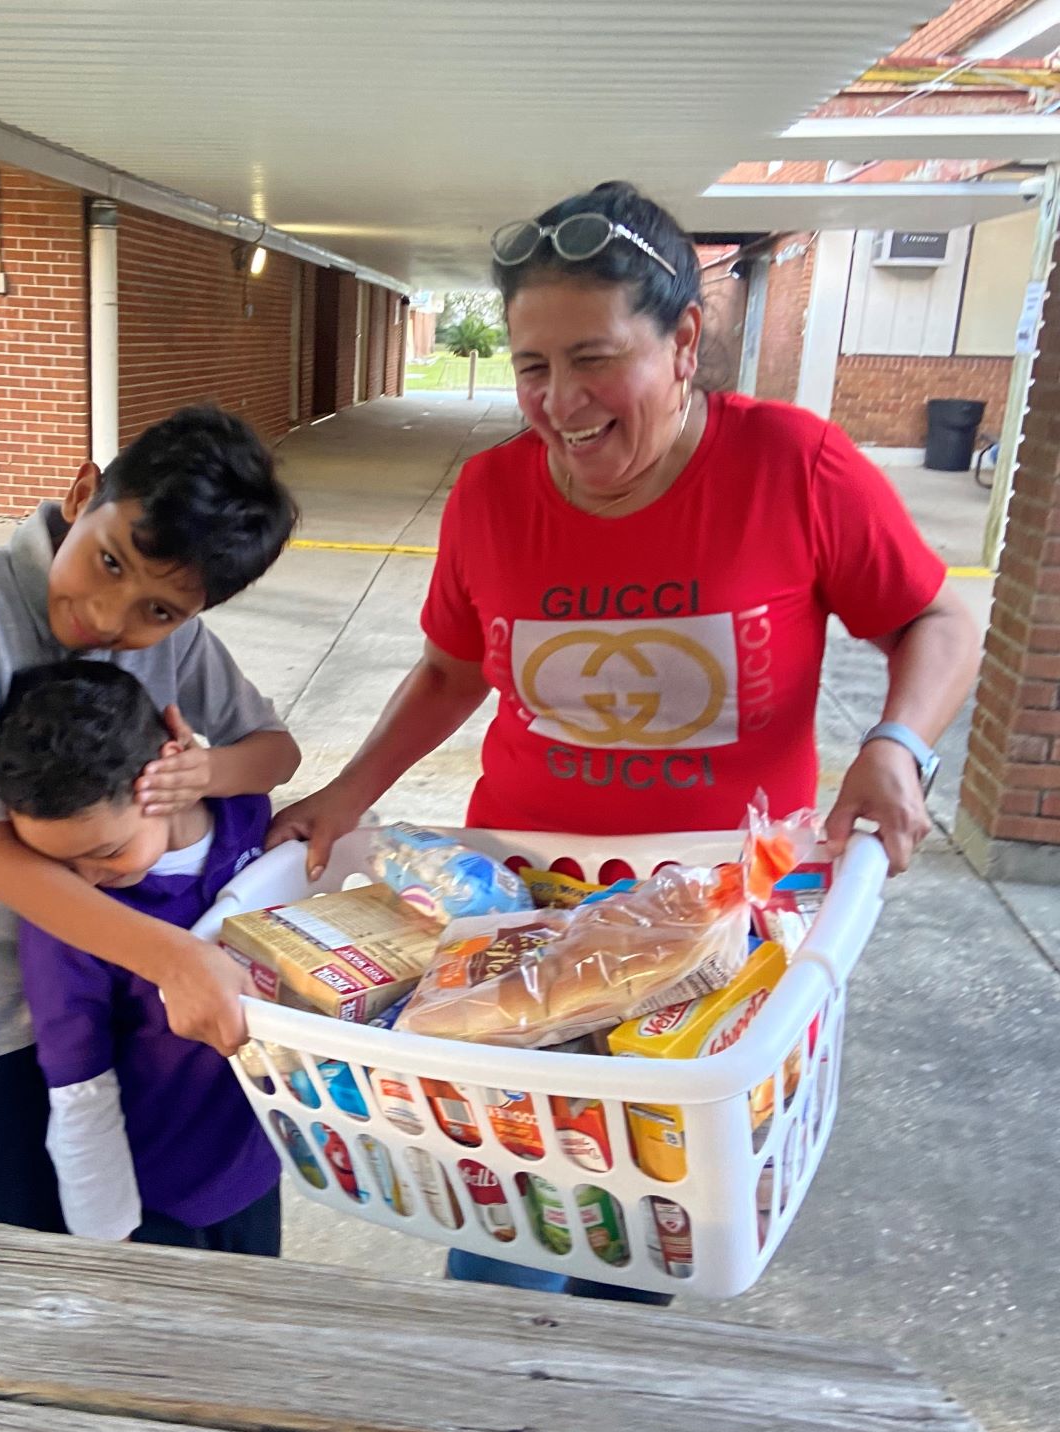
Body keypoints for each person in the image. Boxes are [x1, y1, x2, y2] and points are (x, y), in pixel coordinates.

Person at [270, 180, 981, 1296]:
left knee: (651, 1216)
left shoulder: (794, 465)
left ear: (685, 339)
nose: (560, 401)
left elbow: (935, 615)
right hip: (524, 911)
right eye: (532, 366)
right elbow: (455, 668)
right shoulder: (489, 495)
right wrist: (346, 793)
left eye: (594, 358)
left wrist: (897, 740)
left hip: (716, 921)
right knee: (509, 1198)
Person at [0, 405, 300, 1232]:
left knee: (106, 1254)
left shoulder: (169, 633)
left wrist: (207, 768)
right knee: (3, 1271)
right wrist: (178, 958)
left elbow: (274, 749)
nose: (109, 617)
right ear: (82, 490)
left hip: (104, 1008)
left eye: (160, 612)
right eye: (108, 561)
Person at [0, 660, 280, 1254]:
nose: (85, 883)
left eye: (107, 851)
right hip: (155, 1203)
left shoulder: (248, 818)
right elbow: (80, 1087)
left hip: (260, 1162)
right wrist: (107, 1238)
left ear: (171, 764)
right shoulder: (63, 929)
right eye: (61, 868)